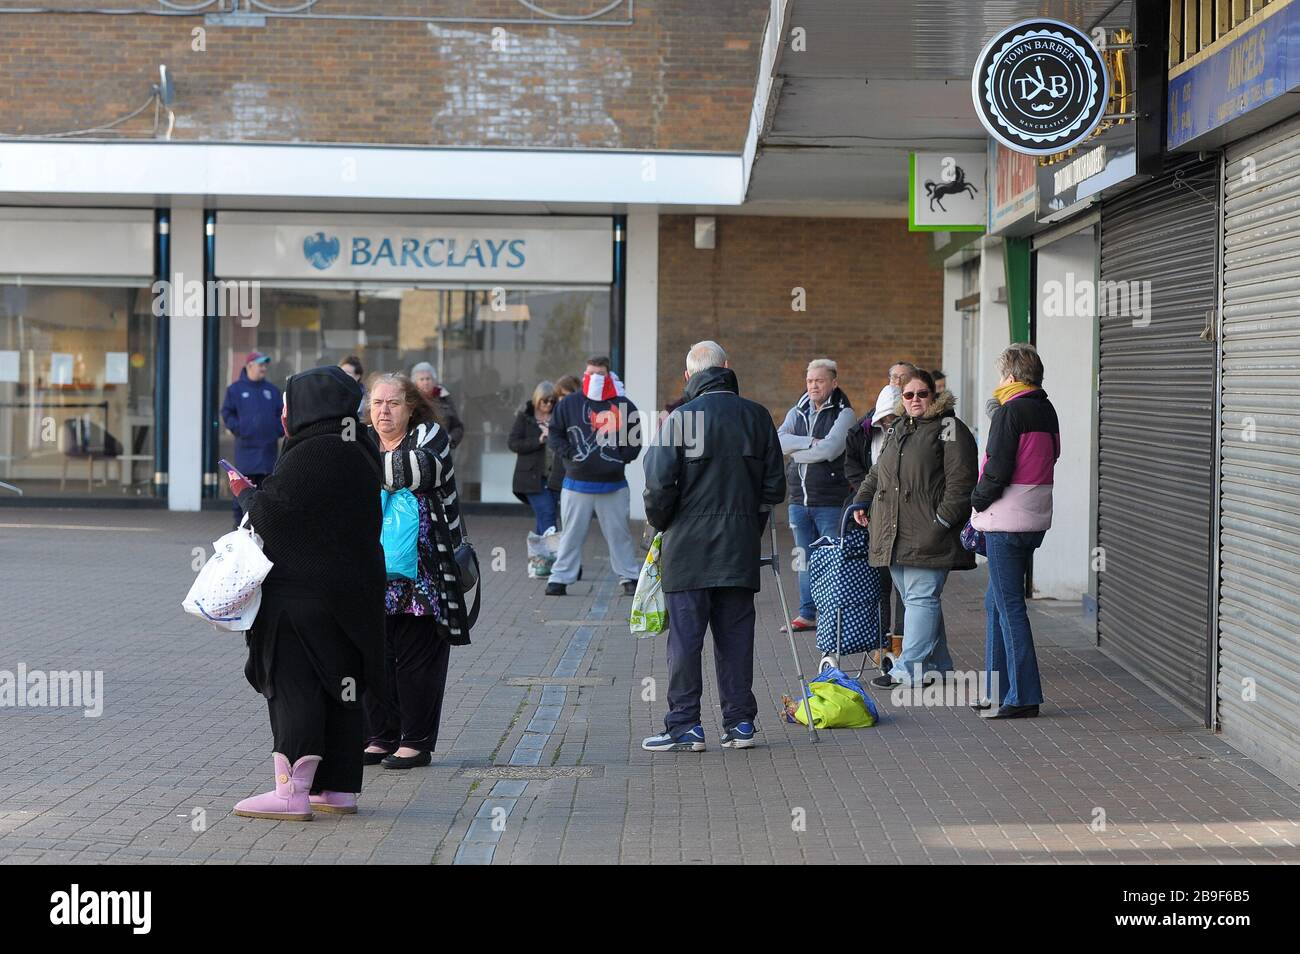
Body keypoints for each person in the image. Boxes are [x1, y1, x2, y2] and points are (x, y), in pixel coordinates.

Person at [228, 365, 386, 820]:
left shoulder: (313, 451)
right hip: (349, 595)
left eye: (287, 405)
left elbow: (274, 516)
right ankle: (337, 787)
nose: (283, 415)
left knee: (294, 682)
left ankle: (291, 791)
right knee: (340, 687)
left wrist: (244, 492)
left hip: (301, 598)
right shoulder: (358, 446)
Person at [641, 341, 784, 751]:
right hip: (738, 550)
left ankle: (685, 725)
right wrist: (748, 526)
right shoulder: (757, 417)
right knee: (736, 638)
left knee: (685, 641)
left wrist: (664, 524)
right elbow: (774, 486)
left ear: (689, 377)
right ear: (727, 367)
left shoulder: (680, 420)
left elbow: (656, 486)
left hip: (687, 550)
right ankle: (740, 724)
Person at [361, 373, 471, 769]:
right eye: (377, 403)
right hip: (372, 574)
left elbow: (418, 469)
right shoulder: (360, 439)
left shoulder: (431, 436)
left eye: (393, 403)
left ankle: (415, 741)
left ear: (411, 406)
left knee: (416, 660)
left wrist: (360, 468)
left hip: (424, 574)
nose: (384, 411)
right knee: (375, 657)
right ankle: (380, 736)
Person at [851, 369, 978, 690]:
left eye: (922, 394)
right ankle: (938, 666)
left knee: (921, 598)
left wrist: (943, 521)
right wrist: (861, 501)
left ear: (934, 396)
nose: (916, 400)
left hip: (930, 531)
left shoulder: (949, 428)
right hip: (892, 532)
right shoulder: (897, 430)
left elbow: (961, 482)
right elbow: (877, 472)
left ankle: (908, 668)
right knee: (917, 599)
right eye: (909, 395)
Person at [970, 344, 1060, 719]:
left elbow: (998, 467)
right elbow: (1052, 455)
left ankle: (1022, 696)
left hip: (1006, 521)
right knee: (996, 602)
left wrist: (976, 499)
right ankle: (997, 690)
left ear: (1010, 376)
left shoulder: (1010, 411)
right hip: (1034, 519)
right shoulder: (1046, 409)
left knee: (1009, 608)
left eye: (1000, 374)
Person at [545, 356, 643, 597]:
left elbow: (635, 439)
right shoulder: (568, 405)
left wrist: (621, 458)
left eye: (600, 374)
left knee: (619, 534)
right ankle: (559, 578)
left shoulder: (624, 406)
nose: (595, 378)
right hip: (576, 483)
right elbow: (555, 433)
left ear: (608, 375)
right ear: (584, 373)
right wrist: (569, 453)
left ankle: (628, 576)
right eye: (590, 373)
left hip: (613, 484)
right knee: (570, 535)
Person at [777, 358, 855, 632]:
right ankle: (807, 614)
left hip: (830, 503)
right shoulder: (797, 412)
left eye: (819, 381)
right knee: (804, 560)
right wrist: (809, 442)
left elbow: (831, 450)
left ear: (833, 382)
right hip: (799, 502)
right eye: (810, 381)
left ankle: (834, 617)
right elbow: (778, 440)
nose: (813, 386)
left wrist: (795, 452)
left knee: (832, 562)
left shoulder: (844, 414)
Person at [845, 383, 906, 658]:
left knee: (905, 586)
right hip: (875, 517)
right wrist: (865, 498)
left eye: (893, 418)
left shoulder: (912, 433)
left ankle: (902, 642)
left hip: (905, 516)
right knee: (880, 583)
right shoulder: (861, 433)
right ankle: (881, 642)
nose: (888, 424)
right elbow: (857, 469)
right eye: (885, 419)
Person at [220, 351, 283, 528]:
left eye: (265, 365)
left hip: (268, 452)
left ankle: (263, 526)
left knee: (266, 491)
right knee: (243, 487)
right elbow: (227, 413)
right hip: (246, 451)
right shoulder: (235, 390)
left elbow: (282, 414)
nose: (263, 368)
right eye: (260, 365)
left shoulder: (272, 390)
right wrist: (239, 429)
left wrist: (276, 430)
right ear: (249, 366)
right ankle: (239, 526)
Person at [509, 380, 559, 535]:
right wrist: (538, 440)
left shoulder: (558, 417)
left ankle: (539, 557)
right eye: (545, 400)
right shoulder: (525, 417)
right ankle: (552, 554)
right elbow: (513, 443)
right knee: (547, 515)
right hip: (531, 477)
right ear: (537, 399)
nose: (549, 404)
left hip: (554, 478)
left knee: (545, 516)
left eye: (552, 401)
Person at [411, 361, 465, 449]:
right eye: (421, 379)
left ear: (434, 381)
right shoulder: (411, 400)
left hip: (442, 450)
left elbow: (457, 427)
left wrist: (450, 438)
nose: (425, 382)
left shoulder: (444, 397)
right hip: (416, 451)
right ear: (415, 383)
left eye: (428, 379)